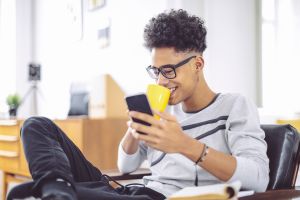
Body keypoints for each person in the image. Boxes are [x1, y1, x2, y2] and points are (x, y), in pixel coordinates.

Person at [19, 9, 269, 200]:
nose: (161, 80)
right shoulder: (163, 113)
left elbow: (258, 178)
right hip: (129, 191)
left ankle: (56, 190)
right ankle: (57, 190)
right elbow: (125, 166)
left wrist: (184, 145)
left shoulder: (234, 106)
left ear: (198, 65)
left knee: (25, 193)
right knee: (36, 125)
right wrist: (134, 130)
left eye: (169, 70)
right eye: (156, 71)